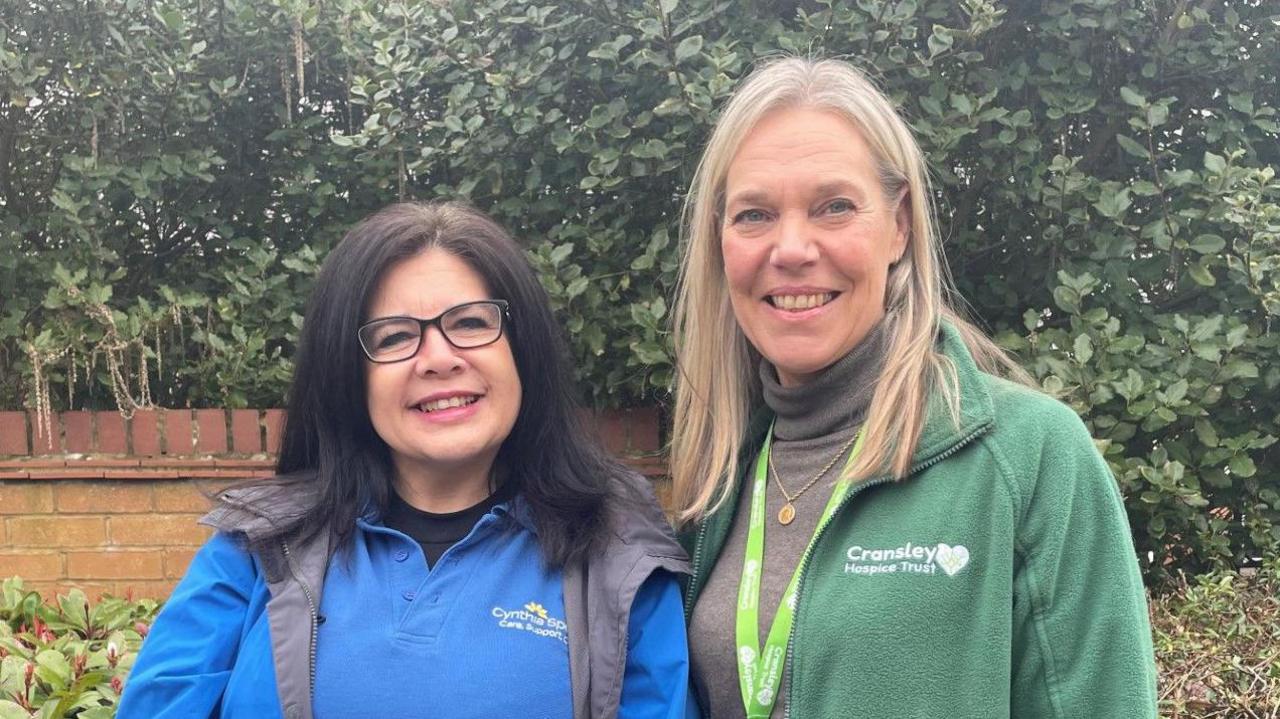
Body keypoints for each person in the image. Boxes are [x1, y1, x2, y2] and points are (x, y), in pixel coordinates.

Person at [669, 57, 1158, 718]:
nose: (790, 247)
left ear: (898, 225)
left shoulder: (1029, 459)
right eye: (754, 214)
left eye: (833, 206)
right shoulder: (720, 484)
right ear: (721, 242)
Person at [118, 201, 691, 719]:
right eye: (394, 338)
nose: (438, 359)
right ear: (349, 375)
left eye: (470, 323)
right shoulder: (257, 547)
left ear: (523, 349)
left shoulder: (619, 550)